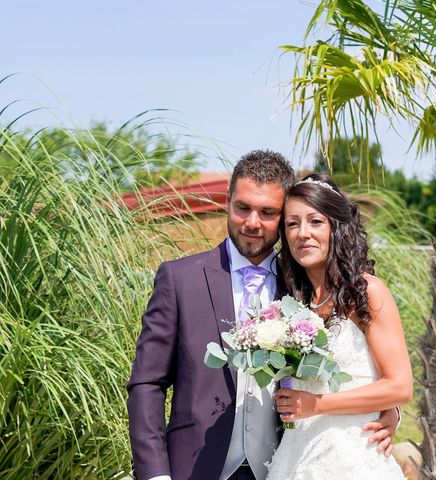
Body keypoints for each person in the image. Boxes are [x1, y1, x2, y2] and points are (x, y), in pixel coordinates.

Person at [127, 150, 400, 480]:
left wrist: (388, 408)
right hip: (196, 469)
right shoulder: (179, 279)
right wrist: (155, 475)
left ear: (282, 217)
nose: (252, 223)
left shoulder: (304, 287)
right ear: (228, 202)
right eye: (243, 207)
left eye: (268, 212)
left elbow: (351, 361)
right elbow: (147, 384)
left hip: (282, 467)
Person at [266, 173, 413, 479]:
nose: (302, 233)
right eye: (292, 224)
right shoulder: (291, 301)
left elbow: (400, 386)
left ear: (337, 227)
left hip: (354, 460)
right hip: (297, 455)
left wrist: (317, 405)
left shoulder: (366, 292)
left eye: (315, 221)